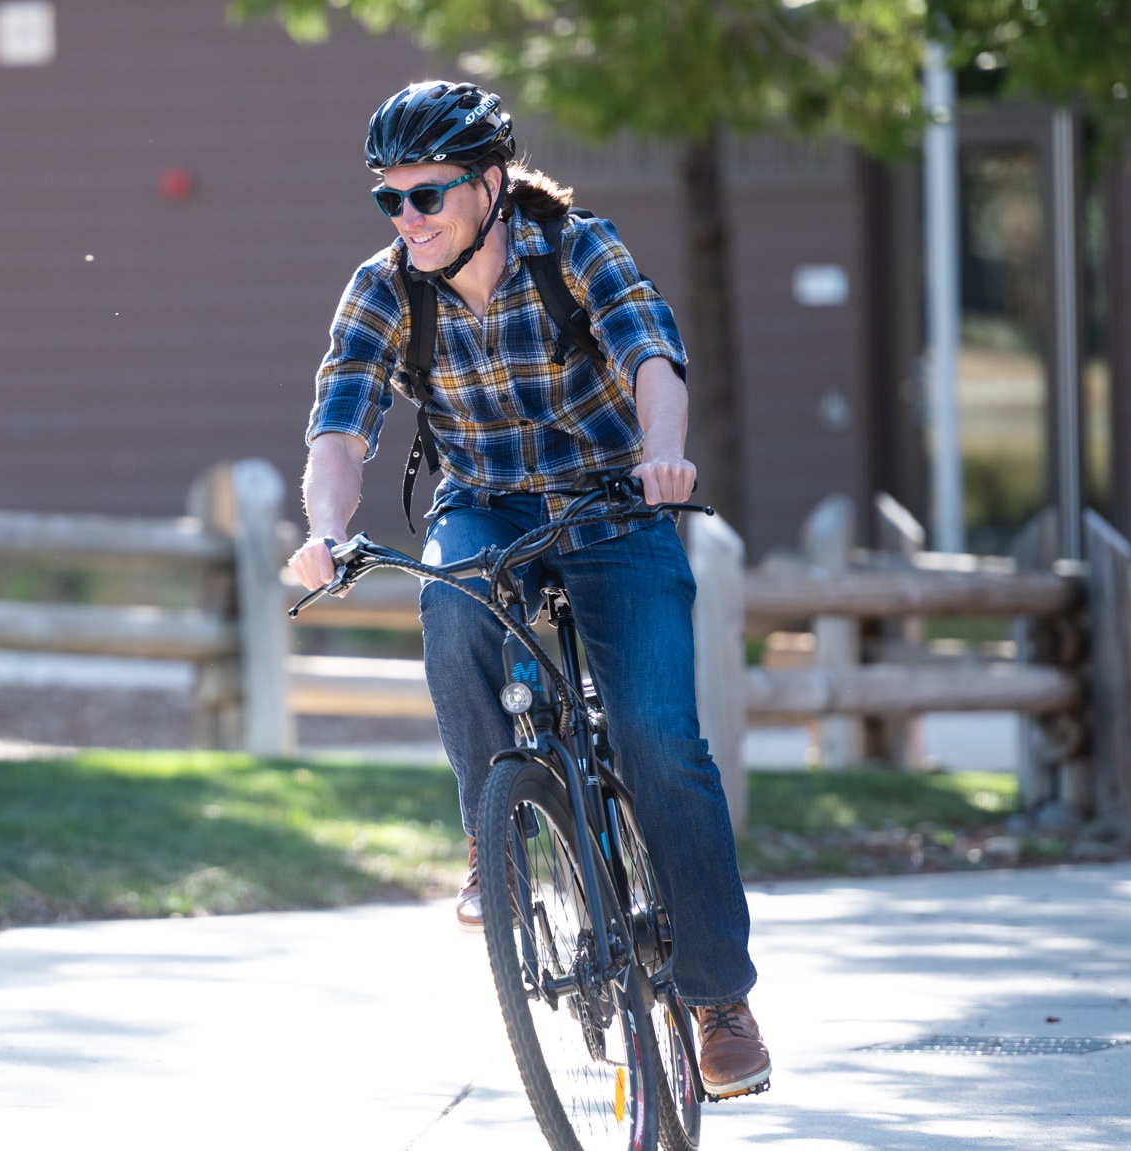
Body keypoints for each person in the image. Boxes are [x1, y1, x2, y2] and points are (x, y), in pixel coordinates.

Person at [286, 81, 770, 1100]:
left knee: (656, 736)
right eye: (389, 198)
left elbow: (649, 352)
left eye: (427, 194)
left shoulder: (574, 248)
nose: (407, 217)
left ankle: (717, 999)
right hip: (486, 504)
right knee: (448, 599)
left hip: (613, 503)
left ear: (491, 184)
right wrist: (325, 530)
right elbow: (339, 423)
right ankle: (494, 833)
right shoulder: (384, 289)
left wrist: (665, 453)